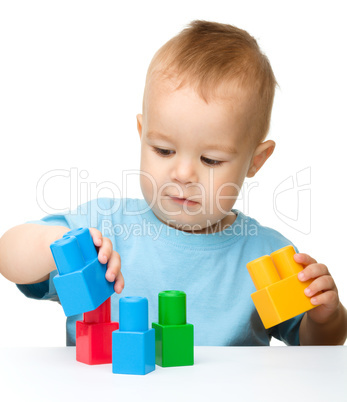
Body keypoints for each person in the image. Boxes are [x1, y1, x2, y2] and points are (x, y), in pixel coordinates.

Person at [0, 20, 346, 347]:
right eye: (163, 150)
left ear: (255, 160)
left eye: (211, 160)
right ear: (141, 135)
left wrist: (325, 319)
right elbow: (9, 258)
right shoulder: (104, 227)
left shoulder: (265, 255)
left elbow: (313, 348)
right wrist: (55, 244)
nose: (183, 174)